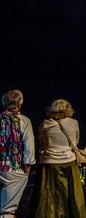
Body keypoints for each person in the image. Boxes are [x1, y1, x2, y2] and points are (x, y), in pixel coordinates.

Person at [34, 98, 86, 218]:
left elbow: (42, 142)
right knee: (71, 195)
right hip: (69, 161)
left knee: (50, 195)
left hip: (49, 163)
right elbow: (75, 141)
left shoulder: (45, 124)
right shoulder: (74, 123)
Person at [0, 90, 35, 218]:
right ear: (19, 105)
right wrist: (27, 167)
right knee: (7, 210)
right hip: (11, 167)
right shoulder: (24, 121)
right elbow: (29, 146)